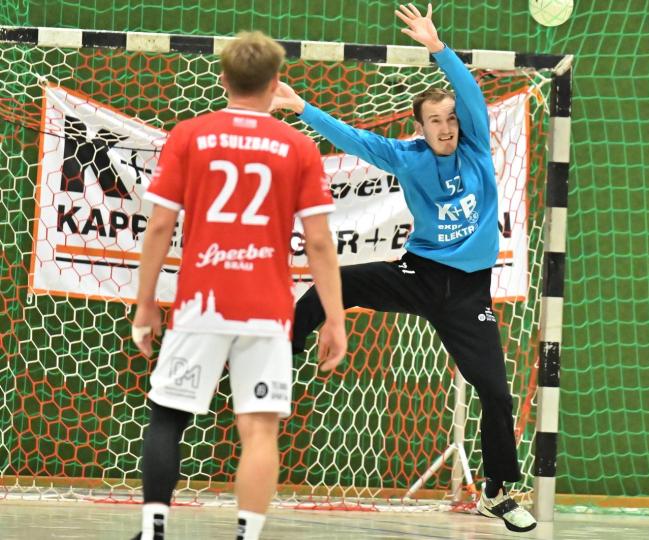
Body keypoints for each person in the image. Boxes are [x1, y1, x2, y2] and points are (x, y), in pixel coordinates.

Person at [269, 3, 536, 533]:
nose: (445, 127)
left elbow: (471, 96)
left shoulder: (477, 147)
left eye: (450, 118)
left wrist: (438, 47)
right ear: (420, 127)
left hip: (467, 295)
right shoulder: (408, 156)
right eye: (434, 120)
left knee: (496, 392)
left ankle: (499, 492)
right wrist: (302, 107)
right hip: (418, 276)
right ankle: (279, 359)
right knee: (333, 284)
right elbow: (354, 139)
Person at [130, 31, 347, 540]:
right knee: (260, 428)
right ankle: (247, 536)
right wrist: (334, 317)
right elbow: (319, 242)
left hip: (202, 302)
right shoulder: (297, 146)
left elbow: (159, 227)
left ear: (224, 79)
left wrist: (145, 304)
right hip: (267, 310)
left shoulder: (189, 135)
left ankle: (154, 530)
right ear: (275, 83)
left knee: (168, 414)